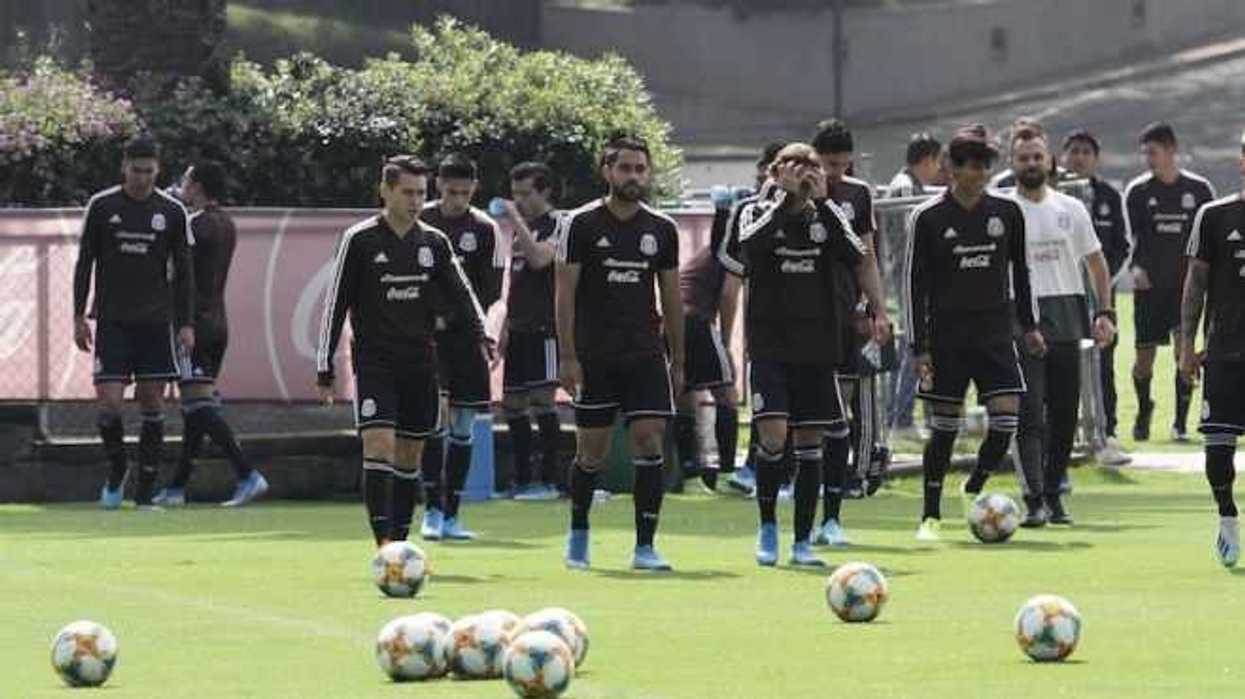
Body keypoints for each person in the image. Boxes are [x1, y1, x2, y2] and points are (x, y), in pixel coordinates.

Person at [316, 155, 488, 547]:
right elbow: (335, 305)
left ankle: (400, 540)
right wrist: (324, 367)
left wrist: (481, 334)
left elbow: (462, 293)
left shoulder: (434, 241)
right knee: (378, 445)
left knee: (410, 454)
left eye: (420, 193)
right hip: (375, 362)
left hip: (422, 363)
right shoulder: (359, 239)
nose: (415, 201)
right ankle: (384, 547)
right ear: (385, 191)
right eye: (407, 192)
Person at [726, 142, 885, 565]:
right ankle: (767, 528)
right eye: (793, 167)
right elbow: (748, 251)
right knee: (774, 436)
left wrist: (823, 204)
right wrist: (784, 203)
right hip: (771, 347)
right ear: (775, 173)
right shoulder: (755, 212)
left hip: (817, 349)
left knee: (812, 440)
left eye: (810, 167)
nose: (803, 173)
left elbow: (856, 255)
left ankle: (801, 541)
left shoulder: (828, 217)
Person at [905, 124, 1044, 542]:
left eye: (985, 164)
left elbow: (1022, 272)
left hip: (995, 336)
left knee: (1005, 422)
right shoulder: (928, 217)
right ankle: (930, 515)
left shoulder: (1006, 213)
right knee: (944, 429)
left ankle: (973, 487)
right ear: (952, 167)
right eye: (971, 164)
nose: (979, 172)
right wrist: (918, 346)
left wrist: (1030, 325)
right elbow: (913, 284)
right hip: (946, 338)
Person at [556, 134, 684, 571]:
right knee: (591, 451)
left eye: (640, 169)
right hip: (595, 355)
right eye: (624, 168)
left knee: (649, 442)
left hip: (645, 355)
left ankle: (645, 546)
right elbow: (565, 294)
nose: (633, 176)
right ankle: (578, 534)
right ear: (607, 171)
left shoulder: (662, 229)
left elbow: (671, 298)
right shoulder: (581, 223)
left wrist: (678, 360)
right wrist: (568, 356)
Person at [73, 135, 195, 510]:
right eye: (136, 170)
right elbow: (84, 263)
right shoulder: (102, 205)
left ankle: (144, 494)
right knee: (109, 404)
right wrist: (78, 315)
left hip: (156, 323)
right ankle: (117, 468)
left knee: (151, 402)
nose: (142, 177)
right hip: (112, 321)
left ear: (157, 170)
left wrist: (186, 323)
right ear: (124, 167)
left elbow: (186, 272)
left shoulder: (173, 212)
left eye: (148, 171)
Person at [1006, 131, 1116, 526]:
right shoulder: (1003, 209)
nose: (1031, 164)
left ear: (1050, 161)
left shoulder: (1070, 208)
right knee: (1030, 411)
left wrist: (1105, 312)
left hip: (1067, 313)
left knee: (1066, 412)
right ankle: (1033, 497)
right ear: (1013, 163)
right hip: (1023, 319)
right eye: (1023, 158)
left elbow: (1097, 264)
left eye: (1037, 156)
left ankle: (1055, 493)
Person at [153, 161, 269, 507]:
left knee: (197, 406)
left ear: (199, 186)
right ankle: (176, 488)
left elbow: (180, 275)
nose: (182, 187)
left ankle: (247, 473)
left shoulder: (194, 225)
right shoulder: (227, 224)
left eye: (186, 181)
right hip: (218, 322)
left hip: (193, 325)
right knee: (195, 408)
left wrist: (180, 322)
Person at [810, 119, 891, 545]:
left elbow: (866, 257)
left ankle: (838, 488)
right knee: (810, 411)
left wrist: (877, 308)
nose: (834, 172)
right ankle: (805, 485)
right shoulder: (790, 190)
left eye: (842, 164)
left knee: (841, 406)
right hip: (801, 318)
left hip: (843, 315)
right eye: (828, 163)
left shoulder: (858, 195)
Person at [419, 153, 506, 540]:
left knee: (464, 423)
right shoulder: (420, 221)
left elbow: (490, 290)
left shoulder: (485, 229)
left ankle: (453, 514)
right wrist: (431, 315)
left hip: (466, 338)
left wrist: (469, 323)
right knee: (433, 419)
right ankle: (432, 510)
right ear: (438, 185)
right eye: (450, 191)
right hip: (427, 338)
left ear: (474, 189)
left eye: (464, 192)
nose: (457, 199)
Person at [1124, 122, 1216, 442]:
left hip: (1184, 287)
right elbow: (1129, 240)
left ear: (1172, 150)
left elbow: (1210, 240)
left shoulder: (1199, 190)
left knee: (1184, 354)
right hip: (1149, 289)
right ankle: (1144, 406)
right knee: (1143, 360)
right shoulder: (1138, 192)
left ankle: (1179, 422)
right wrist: (1135, 268)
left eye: (1154, 152)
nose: (1149, 158)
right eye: (1145, 153)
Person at [1179, 132, 1245, 567]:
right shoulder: (1215, 215)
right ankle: (1226, 517)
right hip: (1225, 353)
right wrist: (1187, 344)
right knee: (1217, 451)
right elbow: (1196, 283)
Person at [718, 142, 787, 495]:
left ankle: (772, 475)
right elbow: (731, 285)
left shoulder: (824, 213)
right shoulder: (747, 212)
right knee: (773, 410)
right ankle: (756, 472)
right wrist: (727, 340)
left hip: (814, 333)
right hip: (766, 335)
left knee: (804, 414)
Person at [1061, 129, 1132, 466]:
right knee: (1062, 362)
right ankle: (1065, 432)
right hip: (1060, 296)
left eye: (1086, 152)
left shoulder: (1109, 196)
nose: (1079, 157)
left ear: (1096, 157)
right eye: (1073, 151)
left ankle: (1107, 433)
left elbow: (1123, 245)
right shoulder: (1053, 194)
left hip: (1101, 298)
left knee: (1103, 364)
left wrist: (1101, 282)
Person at [496, 162, 563, 501]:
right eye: (515, 193)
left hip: (545, 329)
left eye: (526, 193)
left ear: (545, 191)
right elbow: (517, 280)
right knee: (512, 404)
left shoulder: (557, 224)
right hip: (519, 328)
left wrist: (515, 220)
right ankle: (522, 480)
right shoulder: (524, 229)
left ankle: (550, 481)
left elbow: (540, 260)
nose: (518, 200)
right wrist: (505, 327)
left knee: (543, 401)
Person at [674, 177, 743, 493]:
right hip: (695, 321)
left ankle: (689, 478)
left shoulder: (712, 250)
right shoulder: (731, 249)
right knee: (727, 396)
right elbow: (729, 296)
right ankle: (728, 475)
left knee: (685, 398)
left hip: (673, 321)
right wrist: (726, 343)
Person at [886, 133, 943, 443]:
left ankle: (899, 414)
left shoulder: (908, 185)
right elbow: (909, 237)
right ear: (927, 159)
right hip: (909, 279)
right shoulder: (905, 187)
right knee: (912, 345)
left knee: (910, 344)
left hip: (910, 276)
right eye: (937, 161)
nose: (938, 169)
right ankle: (901, 417)